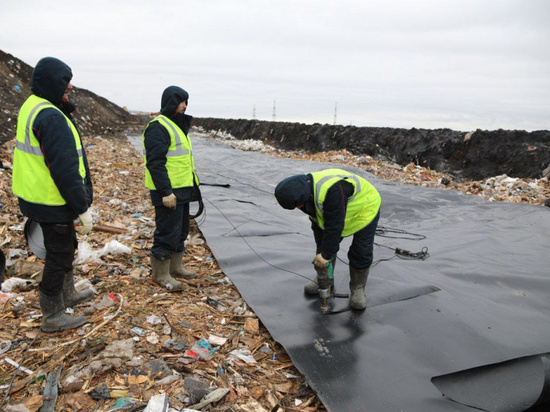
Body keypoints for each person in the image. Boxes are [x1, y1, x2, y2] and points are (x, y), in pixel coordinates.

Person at [12, 57, 94, 332]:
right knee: (58, 256)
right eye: (64, 81)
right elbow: (65, 170)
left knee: (66, 247)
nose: (69, 86)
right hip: (52, 199)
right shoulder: (51, 116)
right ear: (50, 83)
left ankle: (67, 294)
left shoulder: (33, 105)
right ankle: (52, 313)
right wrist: (81, 207)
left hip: (38, 196)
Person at [274, 168, 381, 310]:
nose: (299, 208)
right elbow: (320, 227)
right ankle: (325, 281)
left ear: (302, 197)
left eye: (297, 205)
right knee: (324, 246)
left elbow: (334, 227)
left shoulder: (332, 191)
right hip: (340, 211)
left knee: (361, 250)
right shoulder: (307, 193)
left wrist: (326, 255)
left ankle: (358, 288)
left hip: (365, 208)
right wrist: (322, 253)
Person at [142, 86, 200, 290]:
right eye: (181, 102)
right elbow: (155, 162)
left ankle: (175, 267)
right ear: (170, 102)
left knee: (181, 231)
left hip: (182, 190)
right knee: (167, 232)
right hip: (168, 192)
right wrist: (166, 192)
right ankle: (161, 274)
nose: (184, 106)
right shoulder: (158, 127)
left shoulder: (176, 126)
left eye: (186, 102)